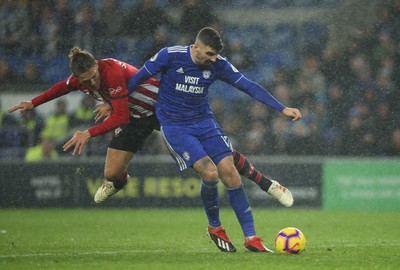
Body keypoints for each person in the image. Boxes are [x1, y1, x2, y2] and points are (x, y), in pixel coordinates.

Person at [8, 47, 293, 209]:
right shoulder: (80, 79)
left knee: (218, 155)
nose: (92, 83)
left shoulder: (112, 72)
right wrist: (34, 102)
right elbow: (61, 87)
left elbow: (119, 117)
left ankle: (267, 183)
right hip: (134, 116)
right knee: (110, 173)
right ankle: (121, 182)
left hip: (164, 110)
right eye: (86, 80)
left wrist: (88, 132)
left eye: (94, 76)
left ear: (97, 66)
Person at [127, 27, 302, 253]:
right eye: (209, 54)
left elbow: (248, 86)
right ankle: (215, 227)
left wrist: (282, 108)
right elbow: (136, 79)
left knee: (229, 171)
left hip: (204, 122)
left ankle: (251, 238)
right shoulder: (169, 55)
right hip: (176, 127)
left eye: (215, 55)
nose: (213, 59)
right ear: (196, 46)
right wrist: (113, 104)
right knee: (210, 173)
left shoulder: (218, 64)